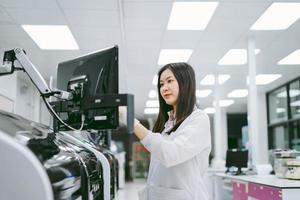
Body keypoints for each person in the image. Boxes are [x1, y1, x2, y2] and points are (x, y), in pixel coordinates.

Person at [133, 62, 211, 200]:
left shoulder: (199, 119)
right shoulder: (168, 124)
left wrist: (133, 124)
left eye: (169, 81)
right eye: (161, 84)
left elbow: (171, 154)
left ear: (185, 83)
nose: (164, 88)